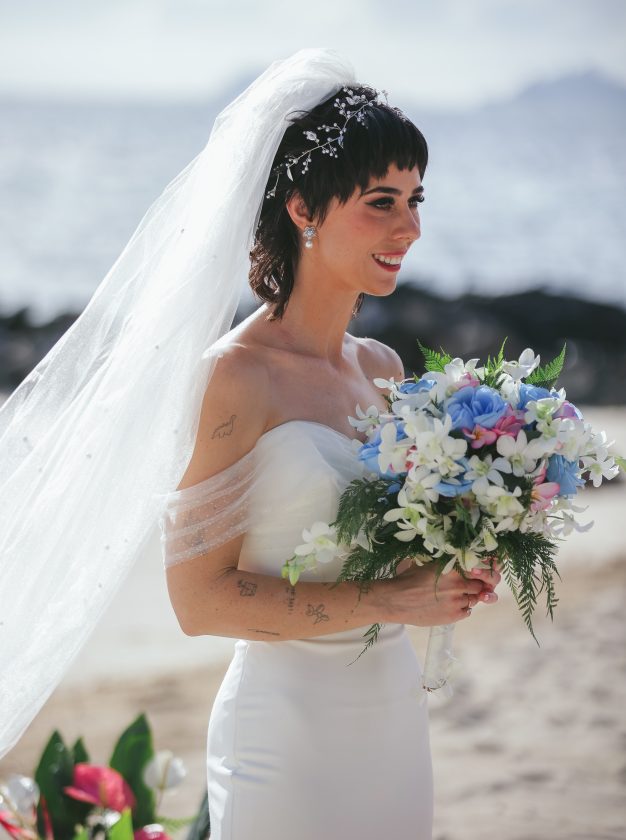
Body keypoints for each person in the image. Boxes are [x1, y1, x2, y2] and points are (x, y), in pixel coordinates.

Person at [160, 77, 502, 840]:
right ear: (303, 209)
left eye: (417, 200)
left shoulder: (383, 369)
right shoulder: (235, 377)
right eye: (381, 201)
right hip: (284, 734)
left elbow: (400, 548)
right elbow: (198, 603)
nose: (409, 227)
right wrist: (389, 603)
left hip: (392, 720)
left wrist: (461, 561)